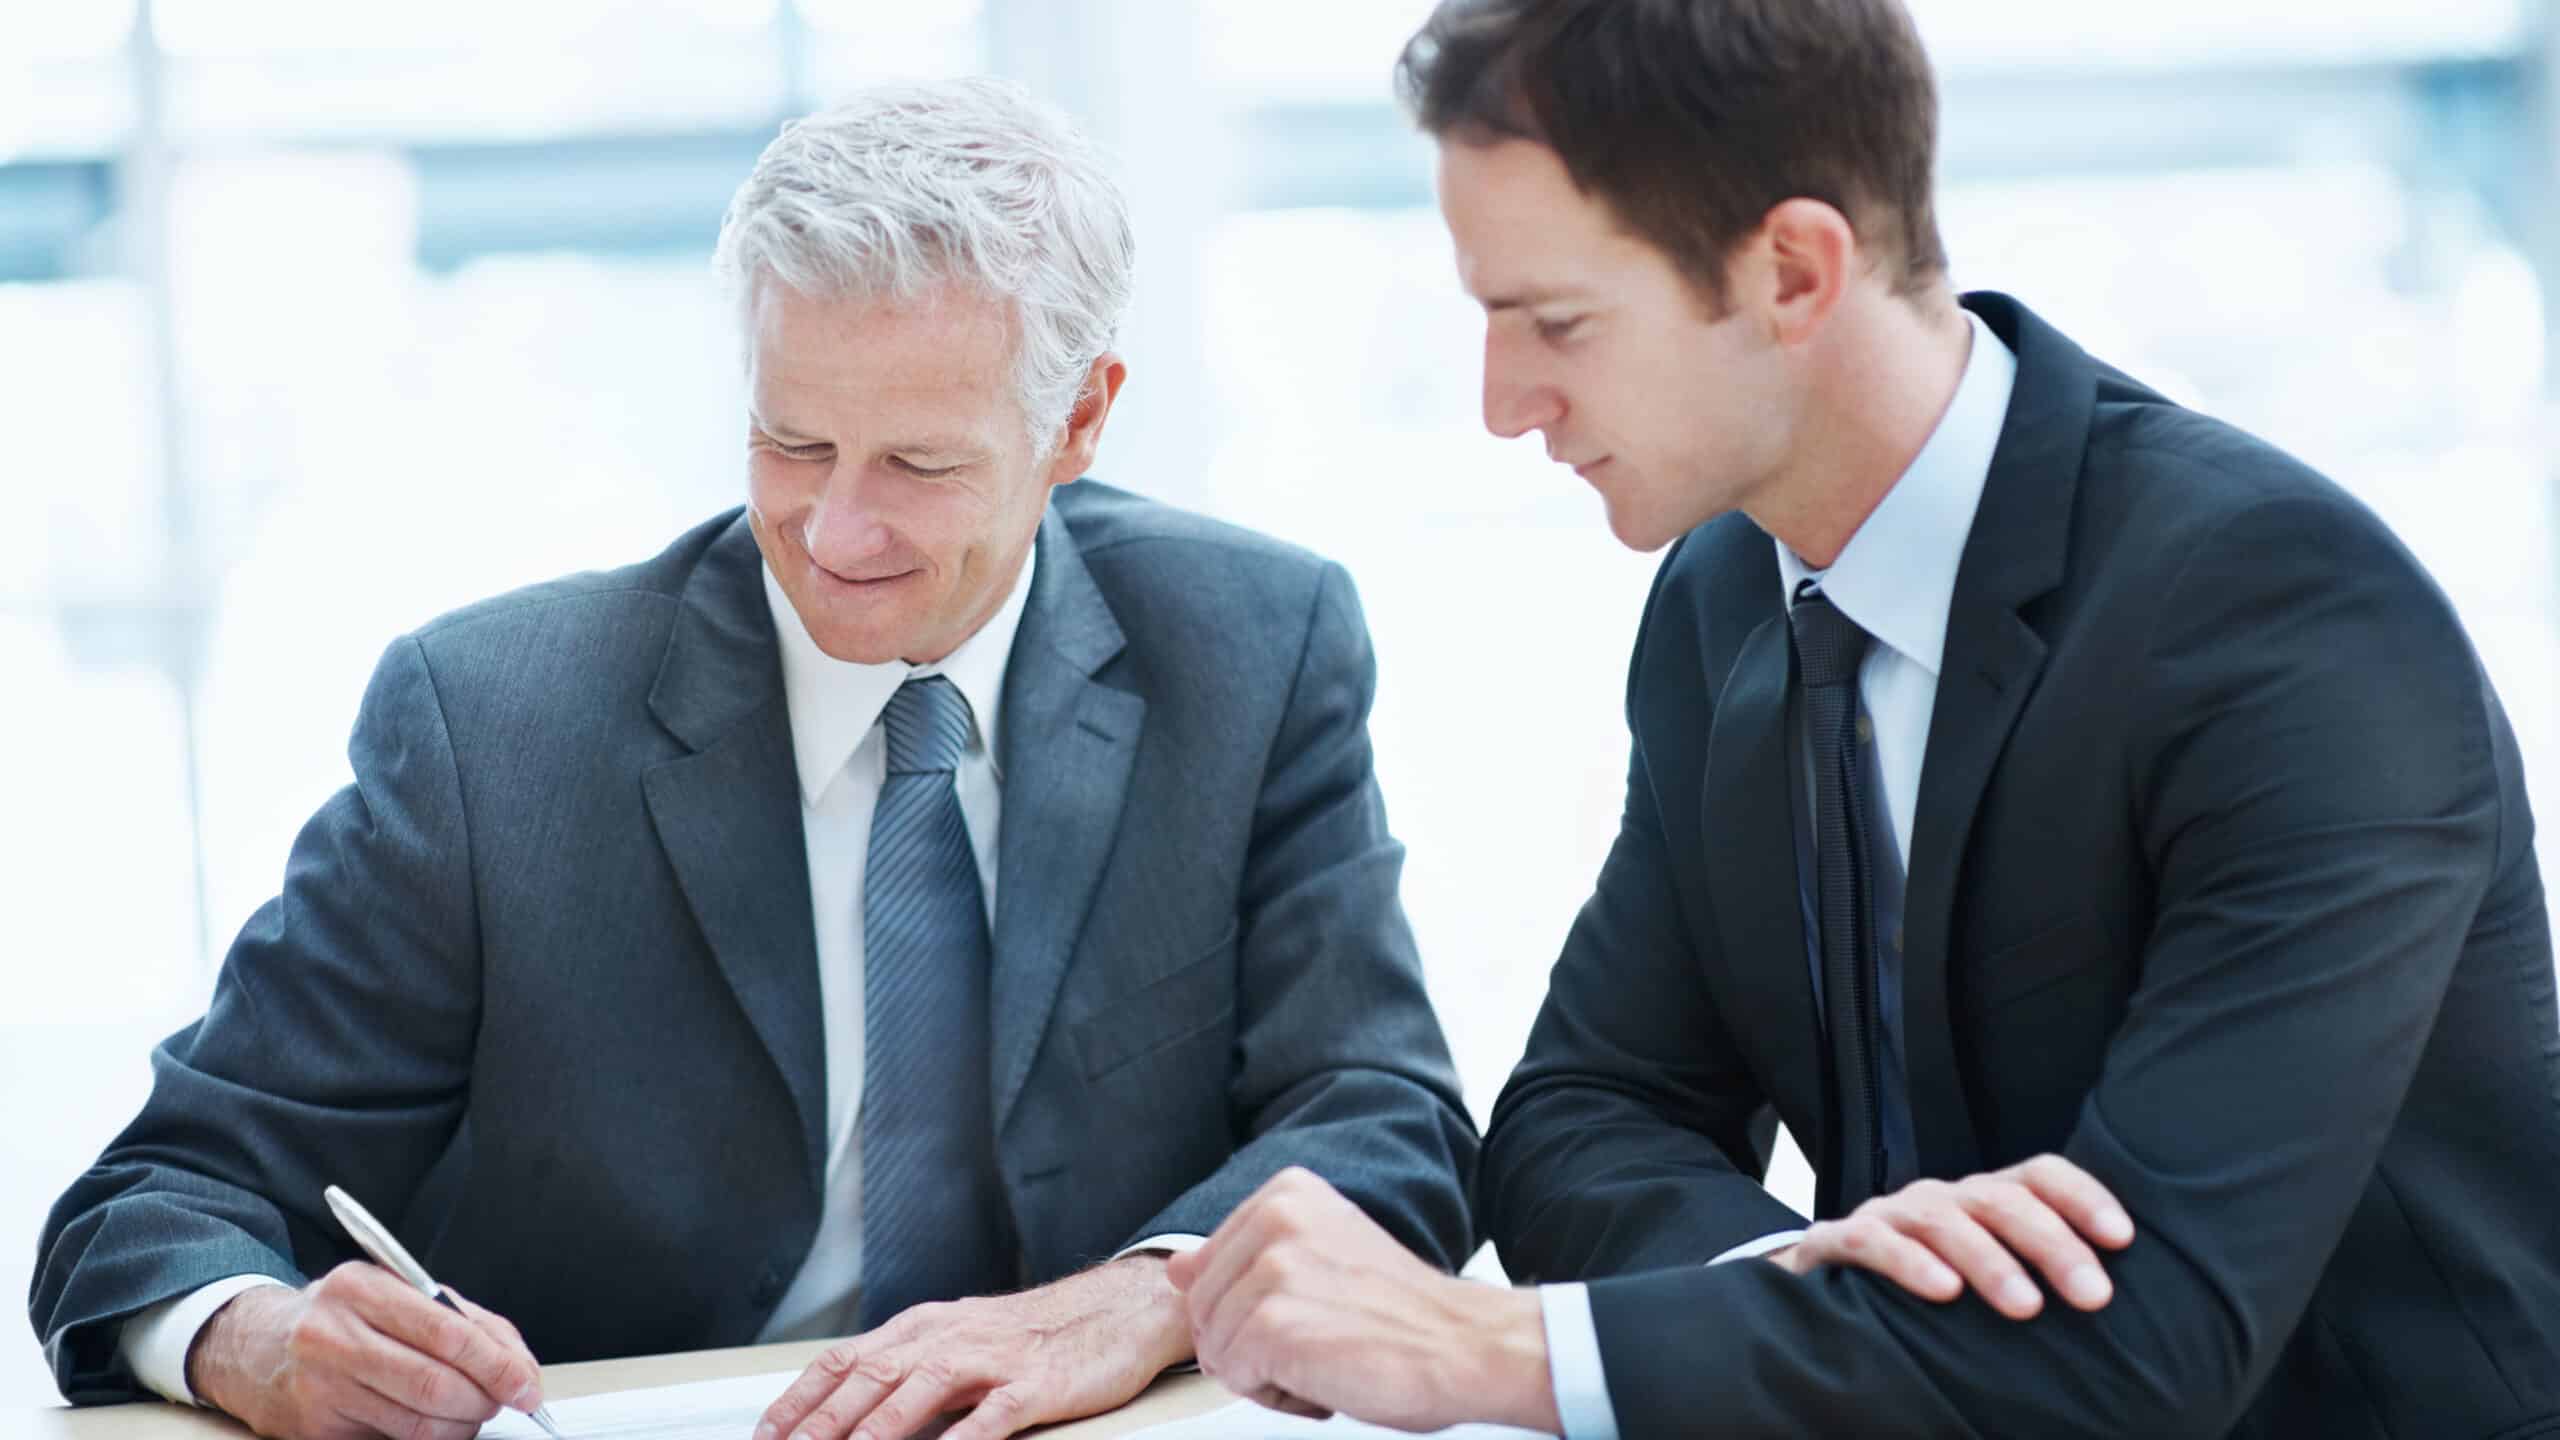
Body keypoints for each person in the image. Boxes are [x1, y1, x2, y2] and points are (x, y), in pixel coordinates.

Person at [1170, 2, 2560, 1435]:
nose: (1503, 404)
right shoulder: (1726, 593)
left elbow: (2149, 1339)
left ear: (1792, 271)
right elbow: (1576, 1120)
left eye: (1556, 322)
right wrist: (1793, 1287)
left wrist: (1482, 1347)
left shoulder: (2284, 619)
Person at [30, 77, 1477, 1440]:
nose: (835, 531)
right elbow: (153, 1204)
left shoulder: (1248, 647)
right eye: (791, 443)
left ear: (1079, 419)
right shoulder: (495, 726)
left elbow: (1386, 1122)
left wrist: (1142, 1298)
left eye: (918, 465)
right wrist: (263, 1342)